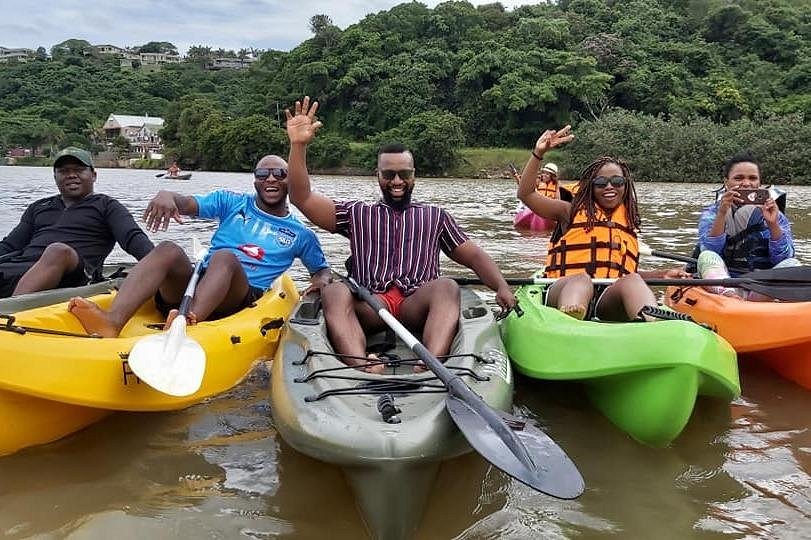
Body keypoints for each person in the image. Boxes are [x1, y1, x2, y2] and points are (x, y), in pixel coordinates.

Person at [285, 96, 516, 373]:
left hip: (415, 304)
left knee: (447, 286)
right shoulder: (357, 213)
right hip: (371, 302)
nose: (397, 181)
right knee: (334, 291)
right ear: (378, 175)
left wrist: (501, 287)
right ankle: (361, 363)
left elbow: (475, 256)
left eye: (404, 174)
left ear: (414, 175)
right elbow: (302, 197)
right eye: (389, 174)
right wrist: (298, 147)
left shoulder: (435, 216)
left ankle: (430, 361)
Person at [68, 154, 331, 338]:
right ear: (255, 181)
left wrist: (321, 281)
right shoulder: (231, 201)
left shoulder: (301, 233)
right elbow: (187, 204)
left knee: (225, 258)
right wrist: (168, 195)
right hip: (199, 281)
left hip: (238, 295)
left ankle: (186, 323)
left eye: (280, 174)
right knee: (169, 248)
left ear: (289, 181)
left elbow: (321, 270)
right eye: (263, 173)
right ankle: (112, 321)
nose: (271, 179)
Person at [518, 126, 687, 321]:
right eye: (600, 183)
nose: (609, 187)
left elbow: (619, 272)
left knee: (632, 280)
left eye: (617, 181)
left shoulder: (628, 222)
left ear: (625, 185)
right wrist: (538, 153)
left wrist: (662, 275)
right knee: (581, 279)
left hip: (606, 301)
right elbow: (526, 194)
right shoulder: (568, 211)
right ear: (591, 187)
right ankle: (570, 318)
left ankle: (654, 323)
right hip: (564, 290)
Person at [0, 146, 154, 298]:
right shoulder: (39, 207)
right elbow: (10, 245)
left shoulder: (107, 206)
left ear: (93, 175)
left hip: (74, 275)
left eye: (79, 170)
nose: (71, 175)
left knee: (58, 251)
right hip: (20, 270)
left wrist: (159, 267)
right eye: (63, 171)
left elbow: (134, 239)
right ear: (55, 177)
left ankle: (8, 310)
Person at [695, 152, 799, 298]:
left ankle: (756, 298)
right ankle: (729, 295)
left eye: (752, 178)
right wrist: (722, 213)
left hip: (762, 286)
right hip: (727, 282)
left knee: (792, 264)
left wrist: (772, 224)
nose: (746, 183)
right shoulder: (712, 213)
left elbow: (783, 259)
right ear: (726, 182)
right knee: (706, 256)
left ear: (759, 183)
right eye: (738, 178)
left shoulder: (775, 214)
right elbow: (711, 250)